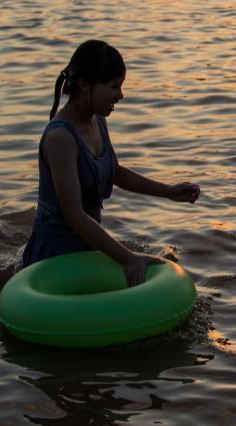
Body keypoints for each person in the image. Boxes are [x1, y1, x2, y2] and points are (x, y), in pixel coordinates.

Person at [22, 40, 201, 286]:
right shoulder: (60, 138)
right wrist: (128, 258)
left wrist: (168, 191)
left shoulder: (97, 120)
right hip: (54, 258)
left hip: (89, 248)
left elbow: (114, 172)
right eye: (114, 86)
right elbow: (73, 215)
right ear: (84, 85)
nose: (121, 95)